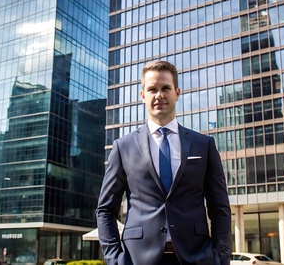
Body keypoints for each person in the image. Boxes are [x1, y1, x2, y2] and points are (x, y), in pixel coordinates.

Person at [96, 60, 232, 265]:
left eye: (165, 88)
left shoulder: (203, 145)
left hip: (196, 258)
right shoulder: (123, 147)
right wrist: (115, 259)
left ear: (177, 92)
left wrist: (220, 258)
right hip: (137, 259)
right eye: (152, 89)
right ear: (143, 96)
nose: (159, 95)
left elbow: (220, 208)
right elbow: (105, 210)